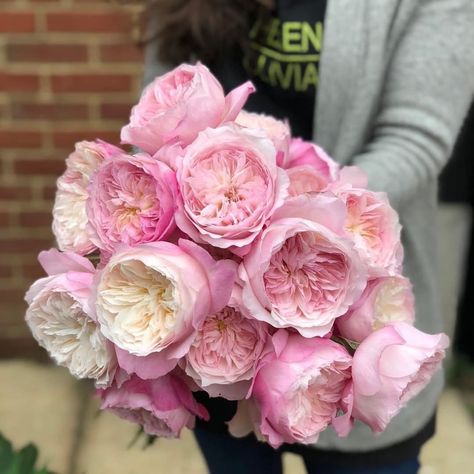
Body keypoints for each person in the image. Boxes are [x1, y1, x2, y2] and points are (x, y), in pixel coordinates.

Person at [135, 1, 474, 472]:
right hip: (216, 338)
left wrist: (289, 220)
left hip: (354, 303)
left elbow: (415, 138)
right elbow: (159, 113)